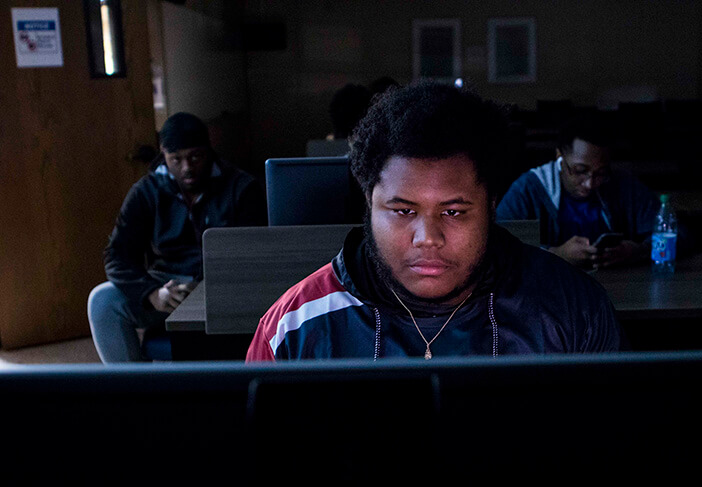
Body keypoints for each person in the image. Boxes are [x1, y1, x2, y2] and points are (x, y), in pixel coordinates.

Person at [246, 82, 622, 362]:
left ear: (491, 205)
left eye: (454, 212)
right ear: (369, 203)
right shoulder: (292, 327)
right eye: (403, 211)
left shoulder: (574, 310)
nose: (428, 238)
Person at [88, 112, 268, 363]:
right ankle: (133, 390)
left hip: (224, 288)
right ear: (164, 155)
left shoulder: (242, 188)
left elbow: (257, 256)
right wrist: (151, 293)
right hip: (168, 289)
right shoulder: (146, 192)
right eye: (176, 159)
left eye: (196, 157)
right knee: (103, 300)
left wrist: (207, 287)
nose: (187, 168)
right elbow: (116, 255)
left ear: (209, 151)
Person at [496, 115, 661, 269]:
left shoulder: (622, 185)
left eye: (600, 173)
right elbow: (494, 244)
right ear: (559, 156)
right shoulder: (529, 189)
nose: (590, 183)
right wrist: (555, 254)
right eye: (580, 170)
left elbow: (675, 232)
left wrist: (637, 251)